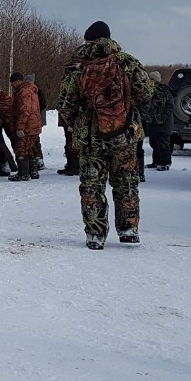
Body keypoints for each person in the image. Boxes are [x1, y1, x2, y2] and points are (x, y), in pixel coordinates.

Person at [57, 21, 153, 249]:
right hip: (124, 135)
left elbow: (65, 103)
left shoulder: (77, 66)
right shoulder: (127, 62)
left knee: (92, 186)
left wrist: (78, 124)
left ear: (88, 40)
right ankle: (129, 230)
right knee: (126, 182)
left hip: (91, 138)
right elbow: (146, 93)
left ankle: (95, 235)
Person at [7, 72, 44, 181]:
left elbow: (25, 111)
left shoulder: (23, 93)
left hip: (28, 126)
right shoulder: (31, 90)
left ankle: (23, 173)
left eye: (12, 83)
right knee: (29, 148)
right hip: (34, 125)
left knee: (21, 149)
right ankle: (33, 172)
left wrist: (20, 127)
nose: (12, 86)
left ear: (17, 81)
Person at [140, 70, 174, 171]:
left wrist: (162, 118)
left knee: (163, 144)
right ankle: (156, 162)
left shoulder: (165, 91)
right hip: (152, 122)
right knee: (154, 144)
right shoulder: (149, 91)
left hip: (163, 124)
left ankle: (165, 163)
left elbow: (169, 106)